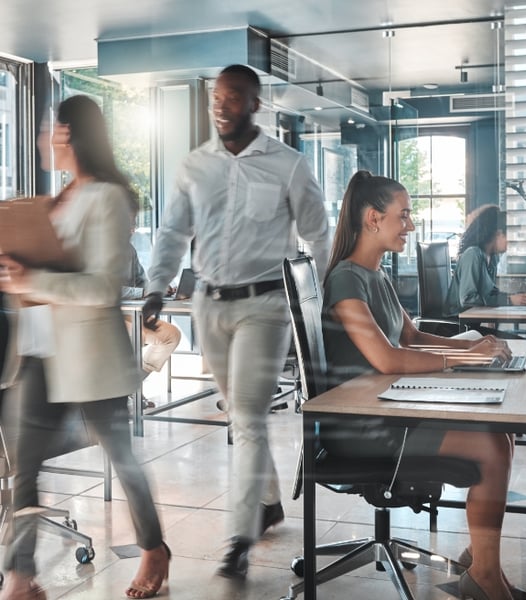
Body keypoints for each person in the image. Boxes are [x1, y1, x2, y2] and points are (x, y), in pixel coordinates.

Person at [142, 64, 330, 580]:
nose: (221, 105)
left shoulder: (288, 165)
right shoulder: (193, 166)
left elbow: (318, 237)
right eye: (216, 97)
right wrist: (157, 286)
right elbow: (172, 233)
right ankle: (267, 501)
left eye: (233, 97)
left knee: (246, 416)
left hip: (265, 308)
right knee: (241, 417)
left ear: (255, 104)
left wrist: (323, 302)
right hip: (209, 305)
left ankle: (240, 537)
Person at [0, 95, 169, 600]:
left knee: (122, 456)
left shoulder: (110, 198)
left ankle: (153, 548)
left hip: (90, 358)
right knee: (23, 465)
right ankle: (21, 575)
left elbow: (101, 288)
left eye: (49, 128)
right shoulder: (58, 197)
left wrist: (36, 277)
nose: (42, 138)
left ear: (69, 133)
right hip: (38, 351)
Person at [321, 170, 516, 600]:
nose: (411, 225)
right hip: (361, 429)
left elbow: (410, 337)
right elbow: (387, 358)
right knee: (489, 445)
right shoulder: (346, 279)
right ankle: (483, 576)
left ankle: (483, 563)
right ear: (373, 218)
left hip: (388, 411)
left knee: (500, 437)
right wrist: (464, 357)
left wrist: (473, 348)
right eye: (404, 215)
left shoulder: (377, 275)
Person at [444, 204, 526, 337]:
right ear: (498, 234)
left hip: (472, 327)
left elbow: (490, 292)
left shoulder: (492, 258)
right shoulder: (473, 254)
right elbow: (468, 299)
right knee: (518, 340)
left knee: (520, 339)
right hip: (457, 328)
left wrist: (516, 297)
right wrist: (510, 300)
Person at [122, 233, 181, 407]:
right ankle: (122, 389)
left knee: (171, 334)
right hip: (106, 316)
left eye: (133, 223)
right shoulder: (95, 248)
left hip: (131, 313)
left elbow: (140, 282)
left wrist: (157, 289)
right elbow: (104, 289)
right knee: (134, 339)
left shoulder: (129, 250)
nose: (131, 228)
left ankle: (131, 385)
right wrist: (141, 293)